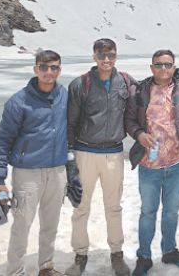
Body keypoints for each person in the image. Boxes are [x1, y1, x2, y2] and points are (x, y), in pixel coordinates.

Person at [0, 50, 68, 276]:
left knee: (51, 224)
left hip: (57, 171)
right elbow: (3, 141)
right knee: (22, 226)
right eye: (44, 67)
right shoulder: (18, 101)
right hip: (27, 173)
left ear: (59, 70)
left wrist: (71, 168)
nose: (49, 72)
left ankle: (46, 267)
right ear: (36, 69)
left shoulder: (64, 95)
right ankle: (16, 271)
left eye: (54, 67)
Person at [125, 49, 179, 276]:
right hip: (149, 165)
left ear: (174, 67)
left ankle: (169, 250)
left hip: (177, 165)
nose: (163, 69)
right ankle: (144, 256)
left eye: (168, 64)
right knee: (148, 212)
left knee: (171, 211)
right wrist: (138, 134)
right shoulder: (139, 91)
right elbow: (129, 120)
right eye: (158, 64)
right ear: (151, 67)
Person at [65, 38, 135, 276]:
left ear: (116, 56)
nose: (107, 60)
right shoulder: (80, 84)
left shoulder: (125, 82)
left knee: (113, 207)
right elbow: (71, 122)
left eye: (111, 55)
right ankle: (80, 255)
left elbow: (146, 99)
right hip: (85, 152)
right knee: (81, 207)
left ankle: (117, 254)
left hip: (114, 153)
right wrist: (70, 158)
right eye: (102, 55)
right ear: (94, 56)